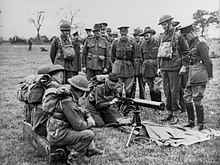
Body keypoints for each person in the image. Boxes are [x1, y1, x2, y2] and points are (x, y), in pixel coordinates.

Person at [45, 75, 103, 163]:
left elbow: (78, 110)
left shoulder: (69, 96)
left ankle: (91, 150)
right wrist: (90, 122)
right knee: (89, 134)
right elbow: (79, 126)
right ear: (81, 91)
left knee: (86, 125)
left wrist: (86, 114)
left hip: (57, 130)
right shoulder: (68, 102)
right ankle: (73, 158)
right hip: (58, 135)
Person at [179, 24, 213, 130]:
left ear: (192, 33)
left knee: (197, 98)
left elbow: (208, 61)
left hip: (199, 73)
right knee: (187, 97)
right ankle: (191, 122)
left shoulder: (201, 44)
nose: (184, 38)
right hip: (192, 73)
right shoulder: (192, 44)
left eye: (185, 36)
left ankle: (200, 124)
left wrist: (209, 75)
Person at [157, 15, 190, 124]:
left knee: (174, 91)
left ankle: (176, 113)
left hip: (175, 68)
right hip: (164, 68)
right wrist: (159, 67)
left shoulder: (178, 36)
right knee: (167, 91)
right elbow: (159, 53)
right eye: (162, 24)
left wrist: (184, 65)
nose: (163, 26)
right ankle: (169, 112)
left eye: (165, 24)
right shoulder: (162, 37)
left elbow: (186, 52)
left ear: (170, 22)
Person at [111, 26, 136, 98]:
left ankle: (128, 104)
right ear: (120, 34)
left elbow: (133, 57)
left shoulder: (132, 43)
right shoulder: (115, 43)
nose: (123, 36)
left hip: (129, 68)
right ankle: (118, 104)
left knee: (129, 88)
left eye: (125, 35)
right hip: (118, 68)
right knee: (118, 88)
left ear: (127, 33)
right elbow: (112, 57)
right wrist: (117, 64)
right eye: (122, 35)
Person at [140, 27, 161, 101]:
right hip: (147, 69)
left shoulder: (157, 43)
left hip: (155, 68)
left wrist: (159, 67)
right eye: (144, 36)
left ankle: (159, 105)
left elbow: (160, 56)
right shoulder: (143, 44)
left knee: (156, 87)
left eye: (147, 35)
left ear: (151, 34)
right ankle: (154, 105)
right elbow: (142, 57)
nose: (145, 38)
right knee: (150, 87)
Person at [131, 28, 145, 99]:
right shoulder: (131, 43)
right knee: (133, 84)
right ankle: (132, 98)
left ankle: (142, 99)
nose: (136, 37)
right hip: (133, 65)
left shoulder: (143, 43)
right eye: (135, 35)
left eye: (138, 35)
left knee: (142, 84)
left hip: (141, 64)